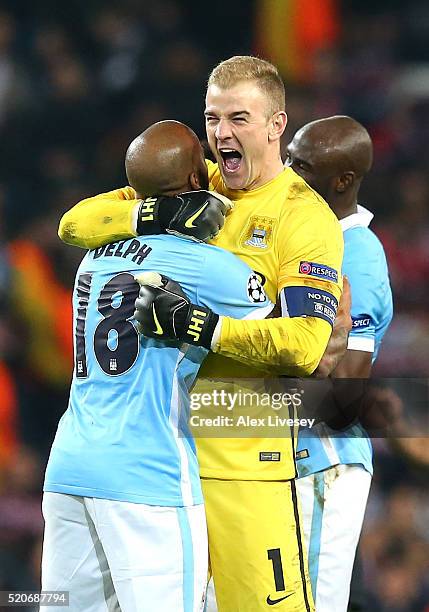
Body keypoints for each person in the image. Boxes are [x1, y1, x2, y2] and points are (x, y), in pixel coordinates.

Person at [57, 56, 349, 612]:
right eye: (213, 118)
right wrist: (152, 217)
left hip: (242, 460)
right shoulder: (192, 184)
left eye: (239, 118)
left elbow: (307, 346)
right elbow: (74, 225)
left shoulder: (302, 218)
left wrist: (207, 327)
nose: (221, 134)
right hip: (163, 461)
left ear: (276, 125)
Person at [41, 120, 273, 612]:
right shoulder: (204, 266)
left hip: (70, 467)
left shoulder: (92, 255)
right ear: (197, 179)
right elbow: (286, 338)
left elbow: (84, 222)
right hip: (150, 475)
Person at [285, 115, 393, 612]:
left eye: (301, 165)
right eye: (287, 157)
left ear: (342, 180)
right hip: (286, 461)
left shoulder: (359, 256)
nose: (287, 171)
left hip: (325, 464)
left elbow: (346, 398)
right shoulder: (308, 239)